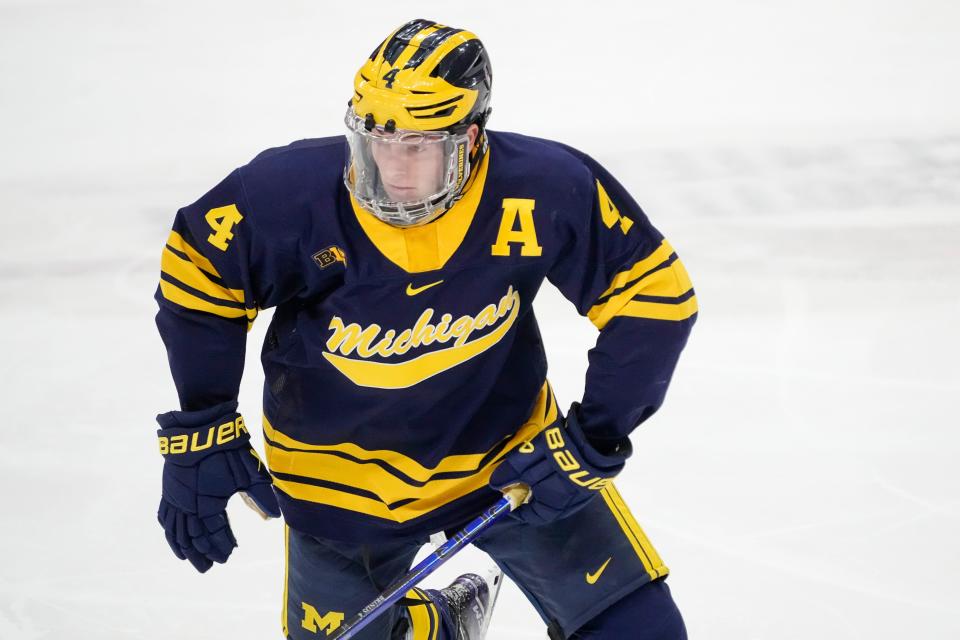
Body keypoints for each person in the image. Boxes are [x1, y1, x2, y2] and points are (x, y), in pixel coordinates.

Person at [153, 18, 697, 640]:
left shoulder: (543, 188)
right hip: (338, 483)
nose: (393, 169)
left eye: (417, 146)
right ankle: (432, 625)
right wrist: (204, 421)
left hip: (511, 460)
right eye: (376, 145)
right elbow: (199, 269)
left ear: (470, 137)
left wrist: (592, 437)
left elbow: (654, 295)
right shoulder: (288, 193)